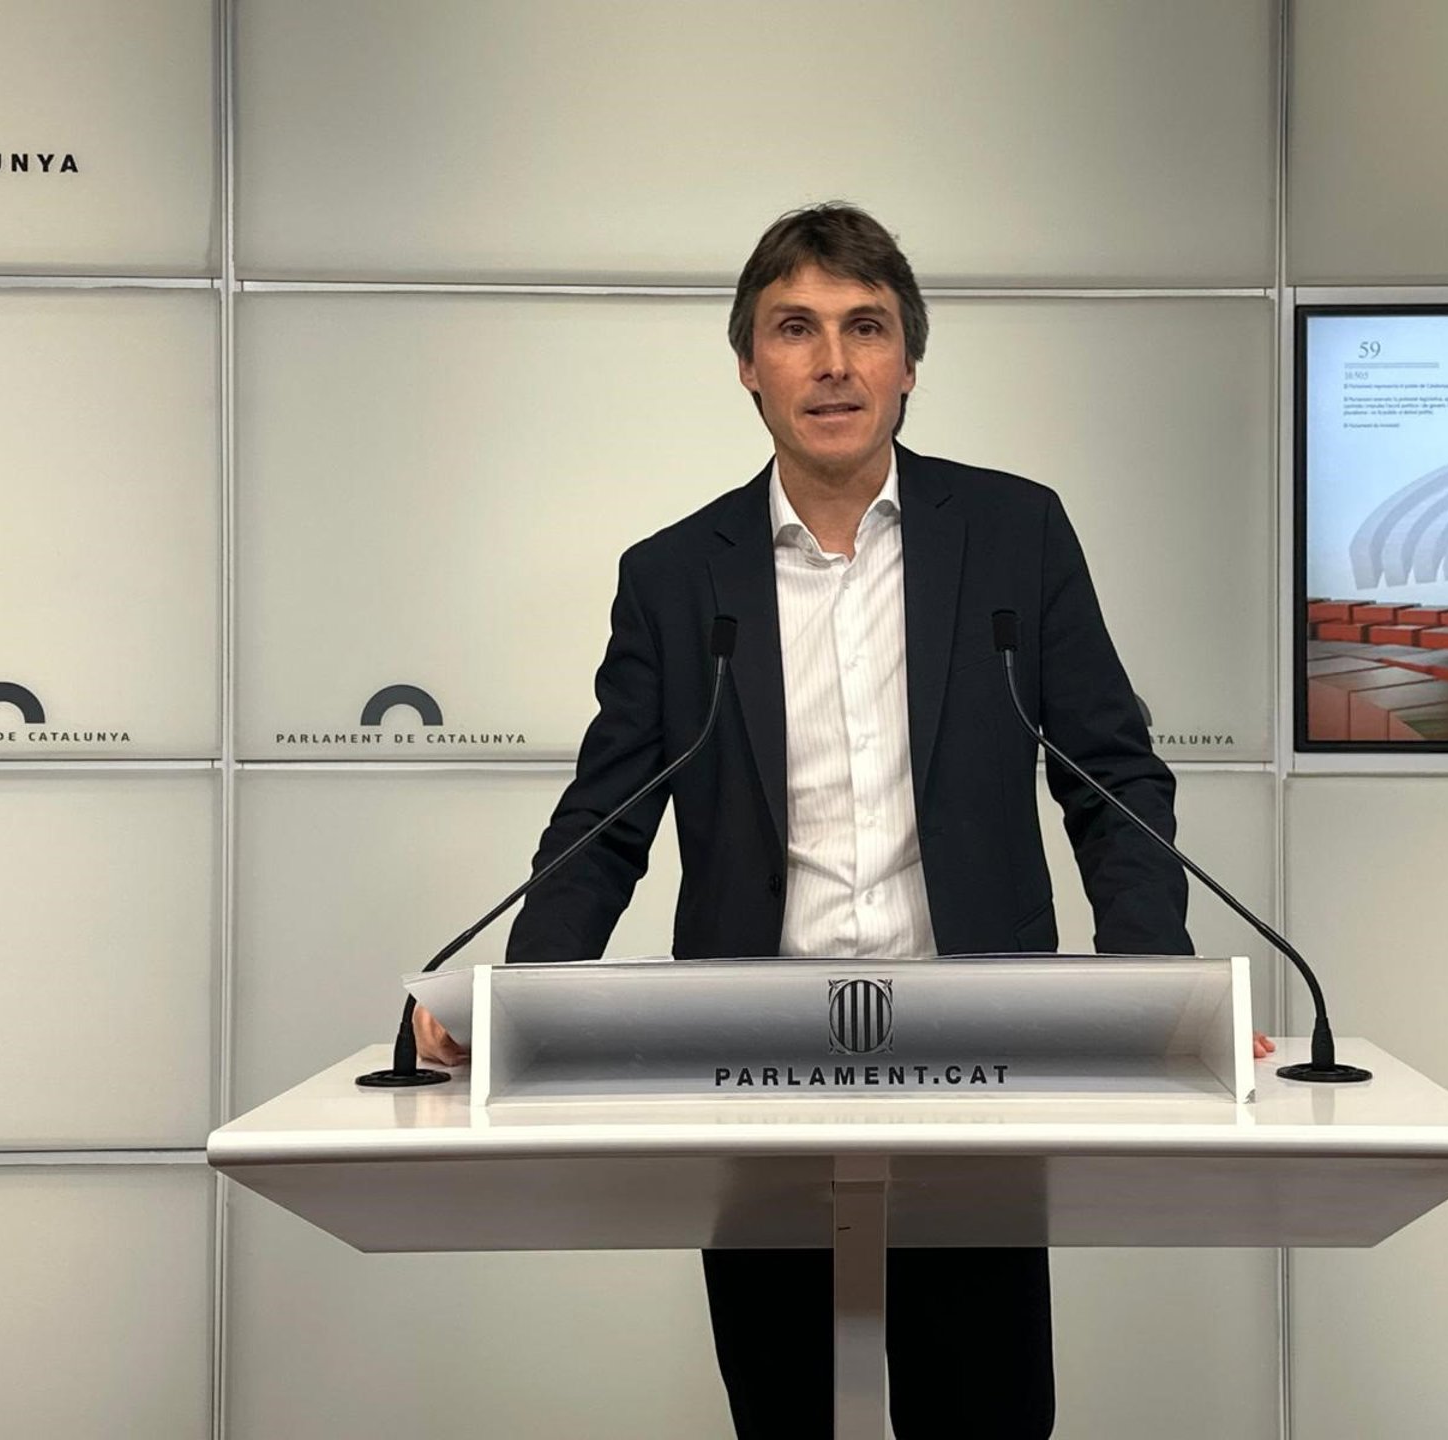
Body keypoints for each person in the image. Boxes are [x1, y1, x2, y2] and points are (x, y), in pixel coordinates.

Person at [415, 202, 1270, 1439]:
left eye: (865, 328)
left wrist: (1158, 1003)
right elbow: (607, 823)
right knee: (784, 1415)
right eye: (795, 329)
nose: (832, 363)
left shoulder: (1015, 534)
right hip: (752, 1070)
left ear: (908, 363)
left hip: (980, 1061)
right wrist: (513, 1012)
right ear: (747, 366)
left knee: (986, 1415)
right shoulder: (674, 577)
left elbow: (1111, 779)